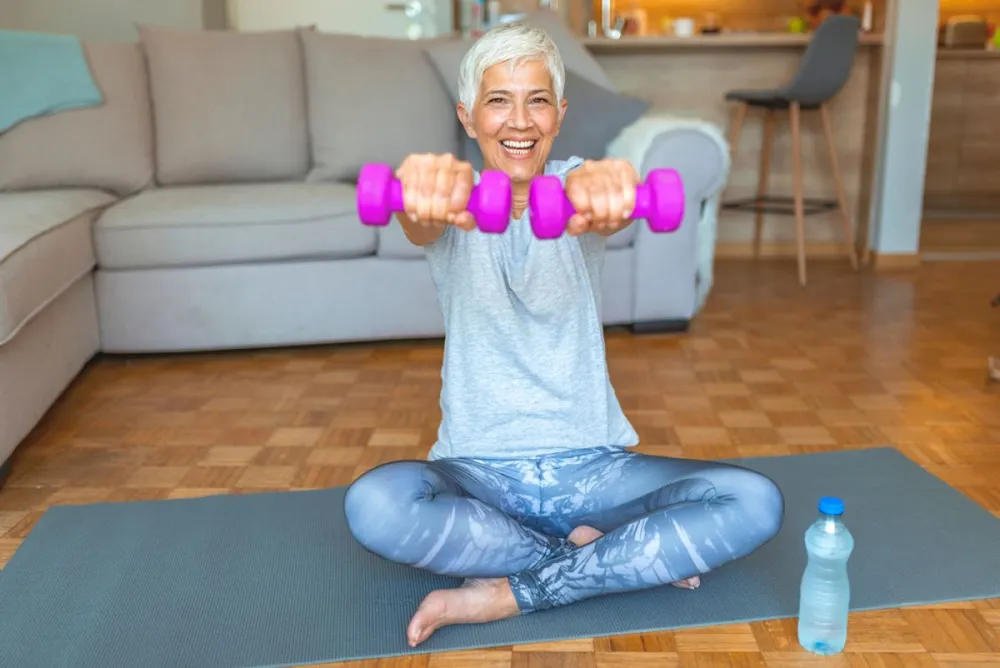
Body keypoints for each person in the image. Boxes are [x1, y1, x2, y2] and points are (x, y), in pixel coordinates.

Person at [343, 20, 784, 648]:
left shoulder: (579, 189)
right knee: (375, 504)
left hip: (596, 472)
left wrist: (612, 187)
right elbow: (418, 221)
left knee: (755, 501)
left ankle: (516, 591)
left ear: (559, 114)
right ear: (468, 119)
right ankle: (605, 559)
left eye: (537, 100)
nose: (519, 121)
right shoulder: (452, 198)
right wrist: (418, 187)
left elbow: (601, 194)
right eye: (499, 101)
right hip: (479, 476)